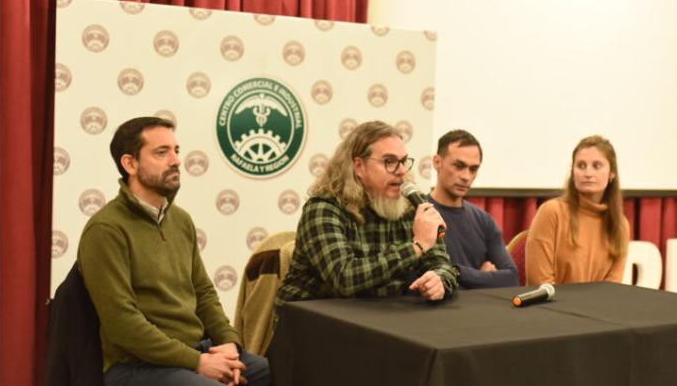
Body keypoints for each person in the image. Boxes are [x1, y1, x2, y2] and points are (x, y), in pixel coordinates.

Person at [77, 117, 271, 386]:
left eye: (176, 151)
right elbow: (122, 324)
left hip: (193, 351)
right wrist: (198, 363)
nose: (176, 161)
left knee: (275, 371)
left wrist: (228, 342)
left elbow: (203, 292)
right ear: (130, 164)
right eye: (161, 152)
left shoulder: (180, 220)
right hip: (136, 366)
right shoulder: (105, 229)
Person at [275, 120, 458, 307]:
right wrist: (415, 248)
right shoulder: (324, 208)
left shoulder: (412, 205)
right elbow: (344, 279)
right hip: (312, 320)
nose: (402, 171)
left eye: (403, 161)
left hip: (380, 317)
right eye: (390, 162)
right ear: (359, 166)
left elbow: (442, 264)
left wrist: (439, 280)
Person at [525, 135, 629, 285]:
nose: (588, 173)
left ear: (612, 173)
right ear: (573, 173)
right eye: (581, 165)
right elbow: (540, 282)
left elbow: (612, 289)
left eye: (597, 166)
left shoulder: (621, 226)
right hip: (548, 307)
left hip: (596, 308)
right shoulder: (551, 212)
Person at [427, 130, 519, 288]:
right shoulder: (417, 213)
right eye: (459, 166)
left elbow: (511, 278)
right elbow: (419, 279)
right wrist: (481, 276)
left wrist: (457, 272)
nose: (466, 176)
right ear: (437, 162)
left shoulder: (484, 220)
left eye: (473, 169)